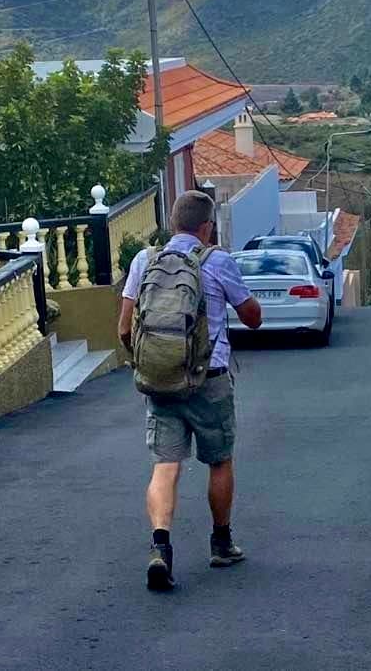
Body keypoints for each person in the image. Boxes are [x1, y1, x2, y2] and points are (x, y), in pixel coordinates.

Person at [117, 190, 262, 592]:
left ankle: (160, 546)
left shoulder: (143, 261)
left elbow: (125, 329)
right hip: (209, 379)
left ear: (172, 223)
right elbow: (252, 318)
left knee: (166, 465)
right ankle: (221, 542)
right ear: (206, 227)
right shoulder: (218, 261)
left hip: (159, 382)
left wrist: (154, 363)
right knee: (219, 460)